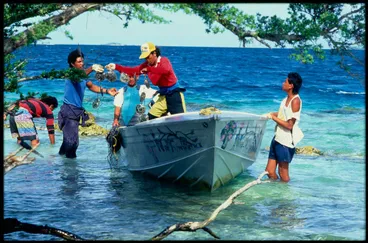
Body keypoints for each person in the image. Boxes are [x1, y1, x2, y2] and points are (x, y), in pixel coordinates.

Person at [58, 48, 118, 159]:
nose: (82, 63)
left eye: (82, 61)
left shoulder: (83, 77)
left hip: (76, 112)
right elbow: (78, 77)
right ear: (72, 64)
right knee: (72, 142)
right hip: (68, 111)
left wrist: (106, 91)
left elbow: (92, 86)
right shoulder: (71, 74)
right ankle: (70, 172)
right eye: (79, 62)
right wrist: (92, 68)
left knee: (70, 142)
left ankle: (60, 161)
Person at [105, 42, 186, 120]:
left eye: (148, 57)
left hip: (175, 94)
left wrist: (149, 69)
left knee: (180, 119)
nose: (147, 59)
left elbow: (165, 70)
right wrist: (116, 67)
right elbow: (133, 70)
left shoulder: (164, 61)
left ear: (154, 53)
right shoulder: (147, 65)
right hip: (163, 96)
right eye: (145, 57)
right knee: (151, 117)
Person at [264, 72, 303, 183]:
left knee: (283, 174)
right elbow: (283, 115)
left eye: (285, 81)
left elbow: (290, 125)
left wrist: (273, 117)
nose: (283, 83)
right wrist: (271, 114)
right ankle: (277, 194)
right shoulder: (285, 99)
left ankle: (285, 199)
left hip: (285, 142)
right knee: (270, 171)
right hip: (277, 138)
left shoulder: (295, 101)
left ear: (291, 85)